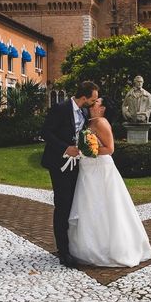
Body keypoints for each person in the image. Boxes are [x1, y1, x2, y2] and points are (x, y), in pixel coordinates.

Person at [68, 98, 151, 267]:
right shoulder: (89, 121)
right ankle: (87, 246)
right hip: (88, 169)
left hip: (100, 169)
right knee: (89, 206)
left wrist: (88, 151)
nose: (93, 103)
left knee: (104, 205)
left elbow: (110, 148)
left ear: (103, 108)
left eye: (97, 102)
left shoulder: (101, 122)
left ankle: (111, 248)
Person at [41, 81, 100, 269]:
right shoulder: (60, 108)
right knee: (63, 205)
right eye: (92, 98)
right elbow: (46, 132)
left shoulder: (84, 112)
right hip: (59, 164)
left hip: (77, 165)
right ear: (84, 97)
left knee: (76, 203)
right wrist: (65, 148)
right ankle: (63, 251)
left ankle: (74, 245)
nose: (93, 102)